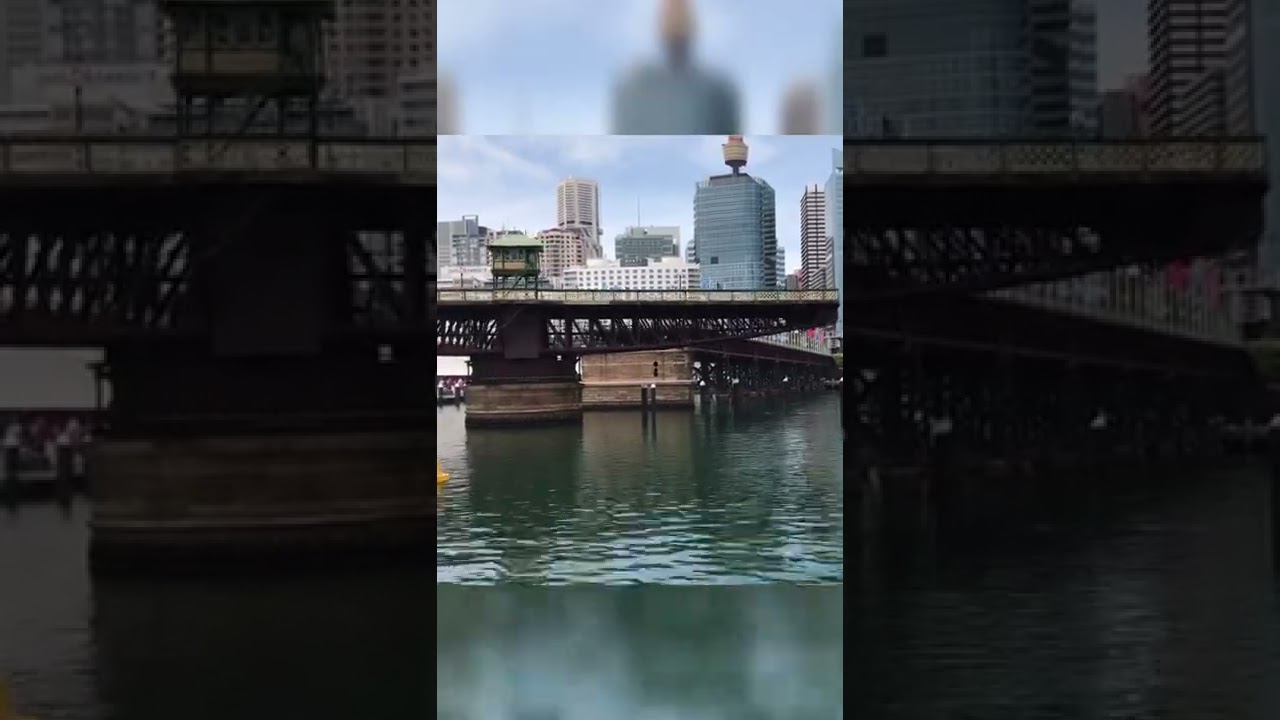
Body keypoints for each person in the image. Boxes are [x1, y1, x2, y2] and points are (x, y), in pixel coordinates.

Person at [610, 0, 741, 134]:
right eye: (669, 16)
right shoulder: (636, 87)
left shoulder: (717, 90)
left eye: (682, 16)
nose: (676, 24)